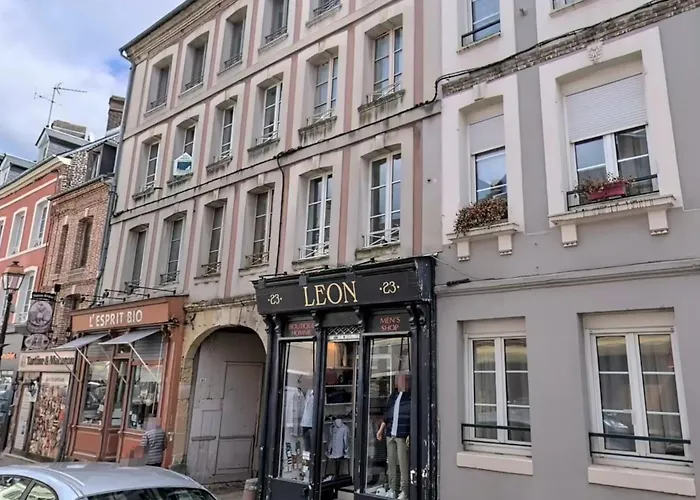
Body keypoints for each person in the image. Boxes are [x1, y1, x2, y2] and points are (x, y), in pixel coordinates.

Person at [376, 372, 411, 500]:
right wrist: (381, 430)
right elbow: (387, 415)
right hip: (390, 433)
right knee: (391, 462)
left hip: (402, 433)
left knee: (403, 464)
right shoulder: (393, 396)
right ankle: (392, 488)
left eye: (402, 380)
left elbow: (412, 417)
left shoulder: (410, 397)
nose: (400, 383)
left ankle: (404, 491)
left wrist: (410, 434)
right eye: (398, 380)